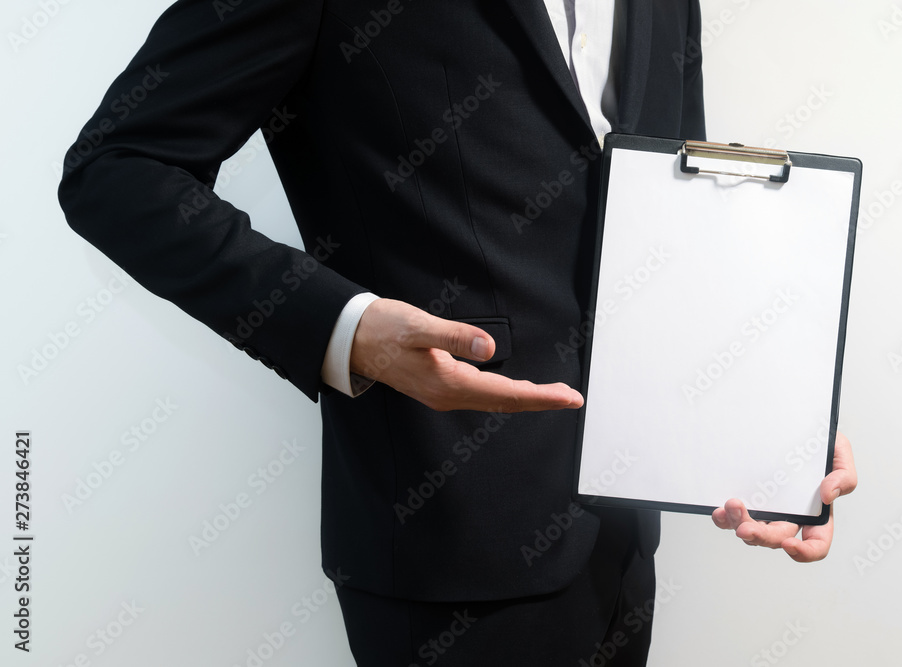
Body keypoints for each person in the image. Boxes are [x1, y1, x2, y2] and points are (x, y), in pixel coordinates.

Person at [58, 0, 857, 664]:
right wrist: (352, 329)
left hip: (621, 538)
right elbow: (119, 167)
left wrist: (769, 418)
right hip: (445, 548)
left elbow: (672, 211)